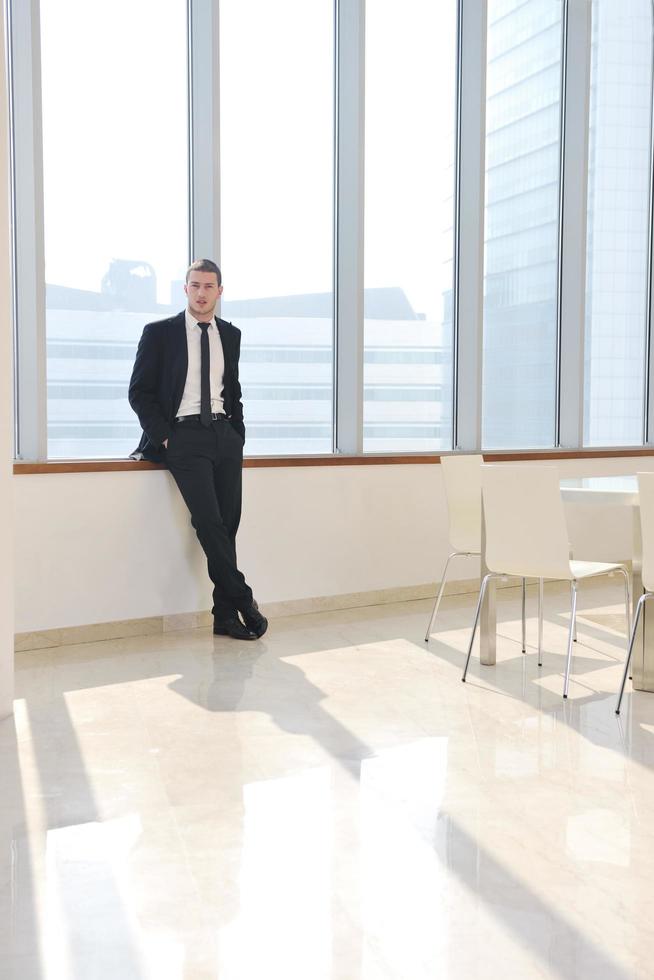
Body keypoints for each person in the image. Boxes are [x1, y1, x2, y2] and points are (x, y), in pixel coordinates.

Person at [128, 258, 267, 641]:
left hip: (224, 437)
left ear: (220, 291)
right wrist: (166, 437)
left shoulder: (231, 335)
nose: (202, 293)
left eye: (209, 286)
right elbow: (138, 392)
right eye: (195, 286)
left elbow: (232, 389)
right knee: (208, 522)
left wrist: (237, 431)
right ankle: (243, 598)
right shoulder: (160, 333)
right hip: (184, 438)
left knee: (228, 525)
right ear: (185, 289)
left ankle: (224, 617)